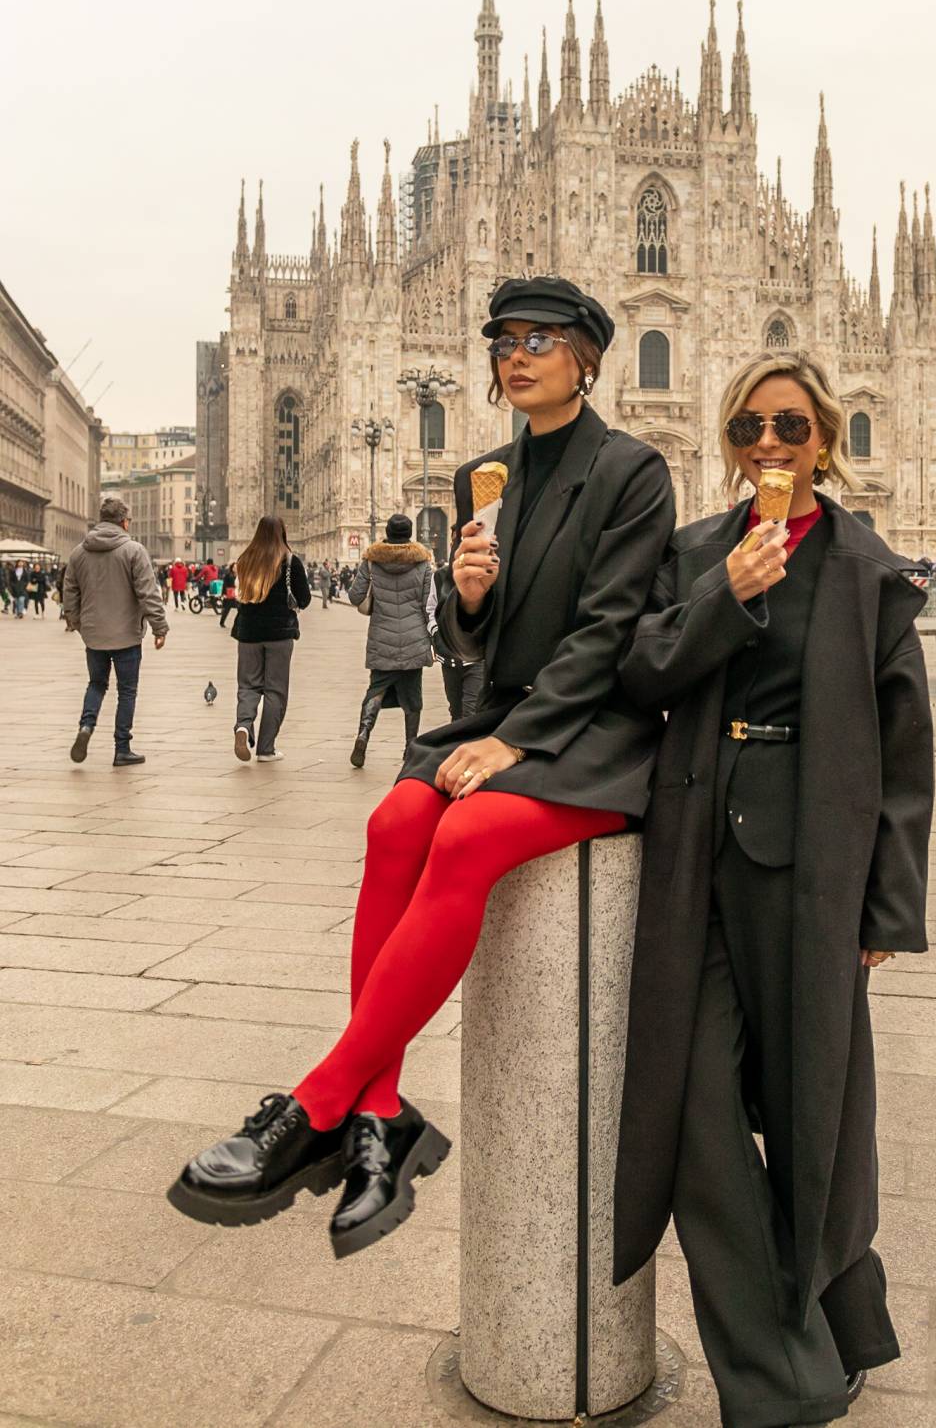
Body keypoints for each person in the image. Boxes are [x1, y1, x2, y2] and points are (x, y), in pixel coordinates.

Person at [168, 275, 675, 1261]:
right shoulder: (483, 477)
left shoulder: (634, 470)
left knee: (472, 831)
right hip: (506, 710)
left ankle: (320, 1101)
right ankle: (385, 1108)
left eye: (540, 337)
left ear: (587, 357)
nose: (516, 353)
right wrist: (473, 597)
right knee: (394, 821)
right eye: (503, 340)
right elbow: (470, 640)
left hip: (595, 728)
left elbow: (613, 626)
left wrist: (516, 740)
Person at [612, 349, 934, 1427]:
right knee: (700, 1115)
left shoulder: (867, 567)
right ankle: (784, 1378)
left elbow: (904, 749)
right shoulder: (699, 549)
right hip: (700, 854)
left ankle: (846, 1319)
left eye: (790, 426)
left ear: (825, 438)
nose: (769, 444)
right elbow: (644, 668)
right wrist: (725, 593)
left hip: (814, 869)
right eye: (750, 424)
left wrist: (887, 908)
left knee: (814, 1116)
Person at [62, 495, 169, 766]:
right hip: (127, 636)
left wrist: (75, 622)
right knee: (127, 691)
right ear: (124, 521)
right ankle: (122, 748)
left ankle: (86, 726)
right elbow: (148, 593)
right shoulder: (134, 551)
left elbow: (70, 591)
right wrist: (159, 626)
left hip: (94, 635)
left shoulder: (79, 552)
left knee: (96, 684)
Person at [348, 514, 436, 768]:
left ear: (387, 532)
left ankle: (363, 734)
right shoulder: (423, 565)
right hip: (414, 637)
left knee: (376, 689)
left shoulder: (371, 562)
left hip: (382, 636)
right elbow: (428, 604)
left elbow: (355, 597)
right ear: (410, 534)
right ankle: (410, 748)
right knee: (412, 696)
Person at [228, 519, 310, 761]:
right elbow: (304, 598)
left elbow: (240, 595)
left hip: (248, 633)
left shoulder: (244, 560)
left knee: (248, 686)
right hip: (279, 633)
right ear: (282, 533)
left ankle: (243, 726)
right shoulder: (289, 561)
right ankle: (266, 749)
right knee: (275, 690)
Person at [433, 559, 486, 723]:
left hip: (476, 657)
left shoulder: (485, 574)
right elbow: (430, 609)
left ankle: (465, 745)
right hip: (449, 658)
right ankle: (457, 745)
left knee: (470, 711)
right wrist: (437, 635)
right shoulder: (440, 576)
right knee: (455, 710)